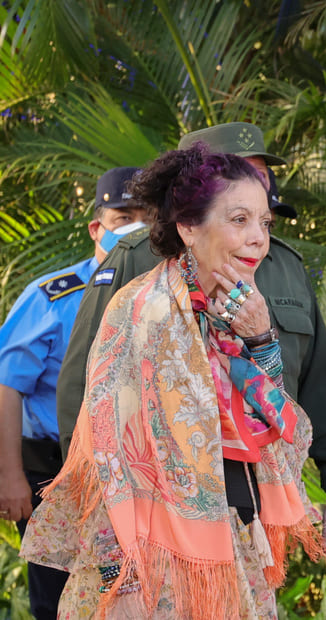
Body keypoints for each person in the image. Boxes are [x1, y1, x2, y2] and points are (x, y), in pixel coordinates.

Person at [21, 144, 326, 618]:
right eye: (240, 220)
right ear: (188, 227)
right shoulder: (143, 310)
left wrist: (261, 338)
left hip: (238, 528)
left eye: (265, 223)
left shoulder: (236, 304)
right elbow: (110, 448)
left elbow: (273, 426)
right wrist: (122, 568)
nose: (258, 239)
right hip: (156, 550)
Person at [56, 122, 326, 555]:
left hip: (256, 501)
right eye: (234, 171)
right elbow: (86, 393)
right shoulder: (139, 270)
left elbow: (313, 385)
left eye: (259, 174)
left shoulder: (284, 264)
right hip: (156, 515)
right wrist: (96, 510)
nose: (254, 184)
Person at [0, 167, 145, 620]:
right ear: (96, 228)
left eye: (146, 217)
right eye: (123, 218)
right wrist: (9, 477)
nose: (136, 228)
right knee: (57, 599)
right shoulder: (53, 297)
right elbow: (6, 386)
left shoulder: (164, 292)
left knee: (125, 600)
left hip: (136, 479)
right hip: (54, 475)